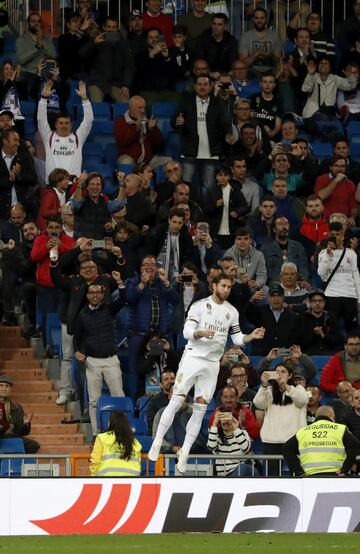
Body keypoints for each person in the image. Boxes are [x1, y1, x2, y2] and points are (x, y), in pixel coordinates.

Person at [148, 272, 265, 473]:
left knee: (200, 408)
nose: (227, 290)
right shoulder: (199, 306)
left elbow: (236, 339)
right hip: (193, 357)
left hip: (212, 363)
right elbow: (186, 332)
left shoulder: (232, 311)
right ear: (213, 285)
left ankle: (184, 452)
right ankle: (157, 442)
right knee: (176, 400)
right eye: (223, 286)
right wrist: (199, 333)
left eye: (229, 287)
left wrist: (249, 337)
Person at [74, 282, 125, 437]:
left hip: (111, 360)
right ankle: (97, 433)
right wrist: (77, 351)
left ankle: (121, 431)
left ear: (103, 295)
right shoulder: (82, 315)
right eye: (91, 292)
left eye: (98, 292)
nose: (94, 295)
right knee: (94, 400)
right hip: (92, 361)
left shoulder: (109, 309)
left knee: (118, 397)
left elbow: (123, 300)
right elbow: (77, 337)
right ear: (87, 295)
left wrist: (120, 283)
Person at [125, 254, 179, 401]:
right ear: (141, 268)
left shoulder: (162, 283)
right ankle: (135, 402)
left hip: (161, 334)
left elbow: (175, 300)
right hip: (139, 335)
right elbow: (130, 299)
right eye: (146, 265)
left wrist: (167, 283)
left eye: (152, 265)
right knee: (136, 370)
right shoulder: (133, 282)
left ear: (157, 268)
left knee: (164, 366)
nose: (149, 267)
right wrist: (142, 284)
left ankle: (166, 399)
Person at [172, 73, 229, 205]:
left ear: (210, 87)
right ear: (195, 87)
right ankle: (185, 214)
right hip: (190, 152)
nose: (202, 87)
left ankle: (205, 215)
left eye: (205, 84)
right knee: (186, 187)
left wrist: (227, 135)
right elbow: (173, 121)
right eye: (199, 84)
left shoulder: (217, 103)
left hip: (211, 154)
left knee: (208, 187)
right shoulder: (186, 102)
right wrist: (177, 121)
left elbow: (225, 125)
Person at [253, 362, 309, 475]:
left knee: (299, 475)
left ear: (290, 375)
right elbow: (258, 404)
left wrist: (286, 387)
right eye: (277, 372)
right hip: (272, 441)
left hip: (295, 440)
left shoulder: (298, 389)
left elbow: (302, 400)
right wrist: (263, 385)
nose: (280, 375)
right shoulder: (268, 391)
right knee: (272, 477)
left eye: (283, 372)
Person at [37, 80, 93, 180]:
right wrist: (44, 99)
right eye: (61, 123)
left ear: (71, 125)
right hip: (53, 186)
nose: (64, 126)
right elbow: (41, 119)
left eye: (67, 123)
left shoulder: (77, 138)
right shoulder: (49, 137)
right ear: (55, 125)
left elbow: (89, 121)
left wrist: (85, 100)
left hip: (73, 186)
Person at [283, 405, 360, 476]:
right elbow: (355, 445)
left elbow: (286, 449)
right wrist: (344, 469)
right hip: (335, 475)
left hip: (310, 476)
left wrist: (299, 471)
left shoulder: (303, 431)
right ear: (330, 415)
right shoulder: (340, 429)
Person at [78, 16, 133, 104]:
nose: (111, 30)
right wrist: (94, 43)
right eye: (108, 27)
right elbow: (81, 54)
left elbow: (129, 66)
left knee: (124, 104)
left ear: (117, 29)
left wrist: (126, 85)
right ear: (104, 27)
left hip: (117, 84)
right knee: (97, 108)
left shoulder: (123, 42)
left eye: (114, 27)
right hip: (97, 83)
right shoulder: (96, 38)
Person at [317, 223, 360, 332]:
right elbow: (321, 274)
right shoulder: (323, 253)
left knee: (352, 330)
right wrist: (328, 254)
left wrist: (359, 299)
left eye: (338, 234)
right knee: (332, 330)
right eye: (332, 234)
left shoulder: (351, 254)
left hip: (350, 295)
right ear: (328, 236)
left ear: (343, 236)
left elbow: (356, 277)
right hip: (331, 295)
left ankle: (351, 349)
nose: (335, 236)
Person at [114, 95, 169, 169]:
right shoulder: (121, 122)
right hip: (130, 158)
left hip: (148, 161)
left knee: (169, 162)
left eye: (144, 108)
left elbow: (159, 143)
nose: (143, 111)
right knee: (126, 162)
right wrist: (136, 128)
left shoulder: (148, 121)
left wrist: (152, 129)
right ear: (131, 108)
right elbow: (122, 142)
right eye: (140, 107)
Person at [245, 282, 300, 356]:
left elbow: (294, 339)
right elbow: (246, 314)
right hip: (262, 354)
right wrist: (252, 300)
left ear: (283, 298)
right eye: (273, 296)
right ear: (268, 298)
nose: (276, 299)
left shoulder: (292, 316)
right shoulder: (259, 311)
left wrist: (285, 351)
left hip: (284, 355)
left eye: (279, 296)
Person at [205, 165, 248, 250]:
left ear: (229, 177)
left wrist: (237, 212)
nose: (222, 178)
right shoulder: (211, 191)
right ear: (216, 177)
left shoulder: (235, 190)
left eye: (225, 175)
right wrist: (215, 205)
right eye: (220, 175)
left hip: (232, 231)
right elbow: (205, 209)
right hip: (216, 231)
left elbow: (244, 206)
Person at [15, 12, 56, 99]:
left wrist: (41, 39)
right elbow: (22, 59)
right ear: (28, 24)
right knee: (28, 81)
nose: (36, 23)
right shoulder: (21, 40)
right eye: (33, 21)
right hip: (28, 73)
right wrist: (37, 48)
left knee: (58, 84)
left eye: (38, 21)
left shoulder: (47, 39)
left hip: (44, 73)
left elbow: (53, 55)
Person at [90, 411, 141, 476]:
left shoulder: (102, 438)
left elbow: (95, 461)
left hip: (107, 480)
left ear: (111, 423)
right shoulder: (135, 442)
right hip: (133, 481)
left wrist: (93, 478)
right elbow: (138, 463)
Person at [0, 128, 37, 219]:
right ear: (5, 141)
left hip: (25, 209)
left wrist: (19, 176)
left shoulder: (24, 157)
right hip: (2, 211)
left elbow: (34, 179)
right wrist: (10, 179)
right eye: (15, 140)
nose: (18, 143)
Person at [261, 216, 309, 284]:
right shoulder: (266, 249)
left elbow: (303, 267)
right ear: (274, 229)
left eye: (286, 224)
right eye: (280, 224)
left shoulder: (298, 246)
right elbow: (267, 272)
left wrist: (302, 280)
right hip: (276, 283)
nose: (284, 227)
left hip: (297, 283)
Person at [207, 407, 253, 476]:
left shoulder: (241, 432)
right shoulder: (216, 434)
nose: (225, 422)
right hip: (225, 475)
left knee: (242, 468)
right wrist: (214, 423)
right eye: (223, 419)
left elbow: (245, 449)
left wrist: (236, 429)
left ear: (234, 420)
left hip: (244, 471)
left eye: (228, 419)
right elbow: (211, 447)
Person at [0, 374, 39, 453]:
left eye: (7, 386)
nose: (4, 389)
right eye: (1, 385)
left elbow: (22, 432)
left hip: (12, 437)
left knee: (33, 445)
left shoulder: (17, 407)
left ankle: (18, 464)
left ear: (10, 389)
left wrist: (25, 423)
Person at [239, 8, 282, 79]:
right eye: (257, 18)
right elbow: (243, 64)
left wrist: (270, 55)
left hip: (271, 70)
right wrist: (256, 54)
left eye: (262, 18)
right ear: (253, 19)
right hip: (251, 71)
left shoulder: (275, 35)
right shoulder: (246, 36)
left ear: (266, 19)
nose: (259, 21)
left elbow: (278, 60)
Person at [314, 156, 358, 222]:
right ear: (331, 167)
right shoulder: (321, 179)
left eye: (342, 166)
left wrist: (352, 218)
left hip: (344, 221)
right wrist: (335, 181)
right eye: (336, 166)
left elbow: (353, 206)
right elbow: (320, 197)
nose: (339, 169)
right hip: (325, 220)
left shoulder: (350, 184)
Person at [299, 289, 343, 355]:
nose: (317, 304)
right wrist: (314, 334)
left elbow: (337, 340)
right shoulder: (303, 318)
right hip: (309, 355)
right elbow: (301, 342)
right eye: (314, 301)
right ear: (310, 303)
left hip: (328, 354)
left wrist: (323, 336)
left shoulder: (331, 317)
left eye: (320, 301)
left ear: (324, 303)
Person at [223, 227, 267, 292]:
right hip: (234, 285)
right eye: (239, 239)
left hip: (251, 286)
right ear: (235, 241)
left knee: (266, 290)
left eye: (246, 239)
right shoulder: (229, 254)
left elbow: (262, 274)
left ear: (250, 240)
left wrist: (257, 283)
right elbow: (226, 274)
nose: (242, 242)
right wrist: (238, 283)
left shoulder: (259, 255)